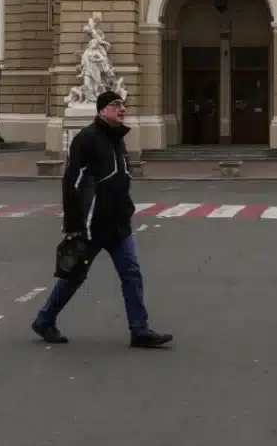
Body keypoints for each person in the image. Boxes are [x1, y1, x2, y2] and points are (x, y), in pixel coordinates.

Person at [32, 91, 172, 348]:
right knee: (75, 275)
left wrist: (127, 209)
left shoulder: (117, 139)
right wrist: (74, 226)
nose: (122, 109)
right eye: (115, 105)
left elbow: (121, 178)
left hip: (118, 223)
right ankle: (45, 319)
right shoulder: (86, 139)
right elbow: (72, 183)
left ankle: (139, 331)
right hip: (91, 225)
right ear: (101, 110)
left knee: (131, 273)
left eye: (123, 104)